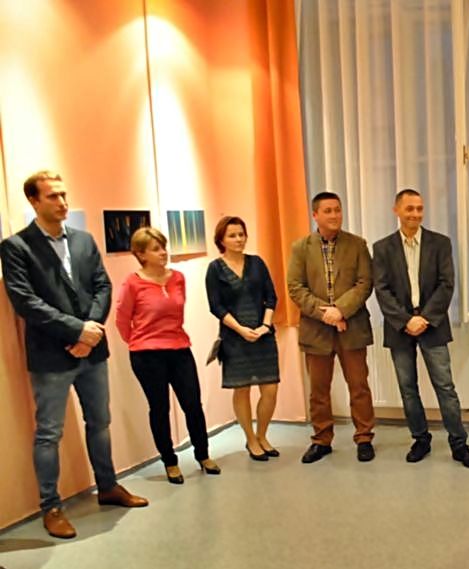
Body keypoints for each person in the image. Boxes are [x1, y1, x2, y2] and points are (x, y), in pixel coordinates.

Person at [0, 171, 148, 539]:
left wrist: (90, 332)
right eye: (53, 196)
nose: (62, 202)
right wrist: (76, 331)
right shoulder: (17, 247)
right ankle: (51, 507)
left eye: (64, 194)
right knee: (48, 433)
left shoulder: (83, 240)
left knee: (100, 422)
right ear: (34, 201)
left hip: (92, 352)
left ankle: (108, 486)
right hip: (51, 356)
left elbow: (102, 285)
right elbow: (26, 302)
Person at [372, 189, 469, 468]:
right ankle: (420, 439)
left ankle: (459, 443)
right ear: (396, 210)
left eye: (419, 208)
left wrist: (425, 318)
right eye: (409, 208)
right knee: (408, 388)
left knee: (445, 386)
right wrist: (405, 320)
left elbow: (447, 284)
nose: (415, 214)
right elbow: (381, 289)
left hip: (432, 325)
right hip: (399, 327)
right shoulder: (382, 248)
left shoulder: (440, 243)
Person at [115, 227, 220, 484]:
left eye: (163, 247)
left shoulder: (178, 278)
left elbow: (177, 312)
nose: (163, 252)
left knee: (192, 405)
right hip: (147, 356)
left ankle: (203, 454)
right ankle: (170, 462)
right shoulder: (132, 283)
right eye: (156, 249)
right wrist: (140, 342)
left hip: (179, 348)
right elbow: (122, 320)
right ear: (141, 254)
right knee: (160, 409)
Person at [288, 192, 377, 464]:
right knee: (318, 390)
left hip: (352, 327)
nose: (334, 215)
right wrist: (325, 314)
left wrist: (340, 310)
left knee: (359, 386)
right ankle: (321, 440)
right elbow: (295, 287)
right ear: (315, 215)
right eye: (327, 211)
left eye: (337, 209)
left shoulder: (357, 244)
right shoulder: (301, 248)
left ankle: (364, 438)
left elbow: (365, 283)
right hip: (316, 331)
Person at [205, 216, 281, 462]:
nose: (239, 239)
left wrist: (265, 326)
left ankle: (262, 435)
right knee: (242, 389)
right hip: (234, 338)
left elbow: (271, 296)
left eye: (241, 234)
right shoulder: (215, 269)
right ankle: (251, 439)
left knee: (270, 389)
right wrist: (241, 329)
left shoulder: (257, 263)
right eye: (232, 235)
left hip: (263, 335)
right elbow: (216, 306)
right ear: (221, 240)